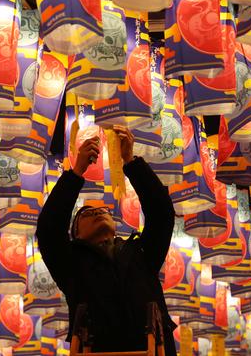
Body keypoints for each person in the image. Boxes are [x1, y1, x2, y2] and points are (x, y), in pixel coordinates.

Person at [35, 125, 177, 355]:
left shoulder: (140, 252)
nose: (97, 212)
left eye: (103, 211)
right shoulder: (71, 264)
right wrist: (76, 172)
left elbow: (162, 214)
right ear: (76, 235)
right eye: (86, 214)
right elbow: (49, 230)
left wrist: (130, 161)